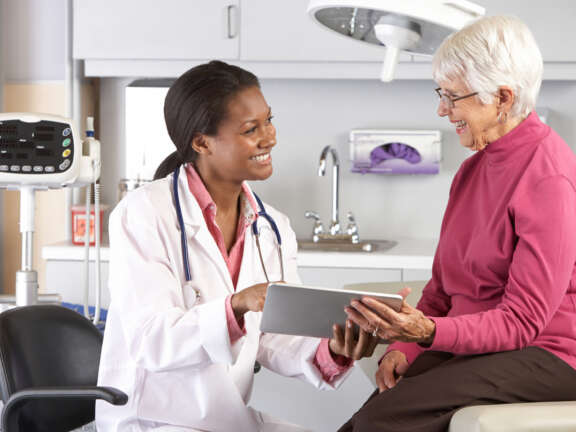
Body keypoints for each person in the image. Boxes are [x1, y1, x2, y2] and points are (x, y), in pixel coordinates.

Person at [96, 60, 379, 432]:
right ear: (201, 142)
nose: (270, 137)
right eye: (251, 129)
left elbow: (275, 336)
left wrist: (334, 351)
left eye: (269, 121)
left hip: (226, 418)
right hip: (153, 420)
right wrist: (237, 306)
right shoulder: (144, 213)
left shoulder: (272, 227)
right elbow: (152, 340)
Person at [339, 15, 576, 432]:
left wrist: (427, 332)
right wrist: (405, 349)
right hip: (486, 348)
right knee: (362, 420)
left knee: (381, 421)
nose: (442, 109)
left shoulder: (548, 178)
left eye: (453, 96)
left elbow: (522, 323)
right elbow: (442, 289)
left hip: (549, 354)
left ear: (502, 98)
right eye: (441, 93)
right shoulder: (471, 172)